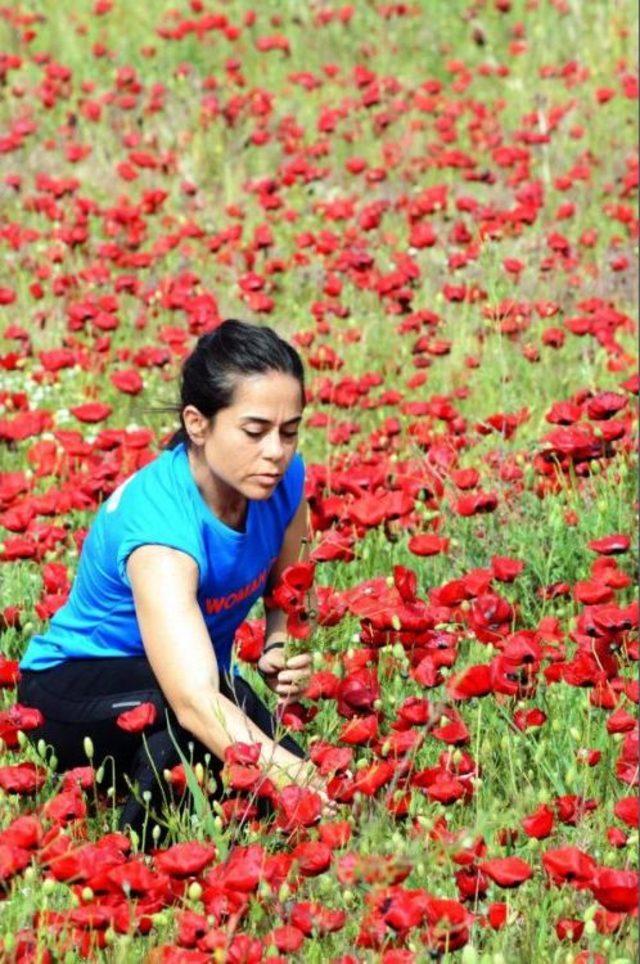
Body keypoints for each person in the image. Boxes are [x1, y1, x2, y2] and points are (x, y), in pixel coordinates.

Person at [17, 319, 334, 849]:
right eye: (255, 432)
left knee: (251, 749)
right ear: (197, 423)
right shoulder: (161, 533)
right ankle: (136, 865)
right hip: (71, 689)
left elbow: (292, 586)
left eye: (290, 430)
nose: (277, 451)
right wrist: (290, 775)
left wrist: (279, 641)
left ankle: (179, 839)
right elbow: (192, 700)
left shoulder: (286, 482)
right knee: (198, 731)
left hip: (191, 681)